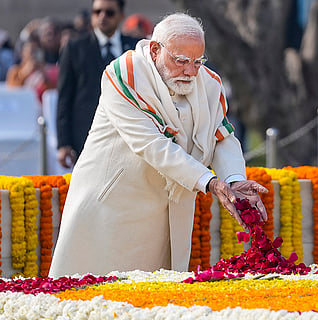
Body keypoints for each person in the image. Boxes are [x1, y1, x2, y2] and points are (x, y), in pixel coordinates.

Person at [49, 12, 268, 277]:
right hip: (109, 208)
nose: (190, 71)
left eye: (198, 61)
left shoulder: (209, 83)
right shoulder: (124, 74)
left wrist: (233, 180)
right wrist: (210, 182)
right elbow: (152, 144)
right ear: (155, 50)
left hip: (166, 214)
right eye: (181, 61)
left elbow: (222, 137)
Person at [56, 0, 138, 169]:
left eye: (109, 12)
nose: (102, 16)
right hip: (86, 136)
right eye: (97, 12)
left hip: (129, 136)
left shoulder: (136, 48)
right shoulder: (74, 48)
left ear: (121, 16)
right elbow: (65, 97)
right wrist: (63, 143)